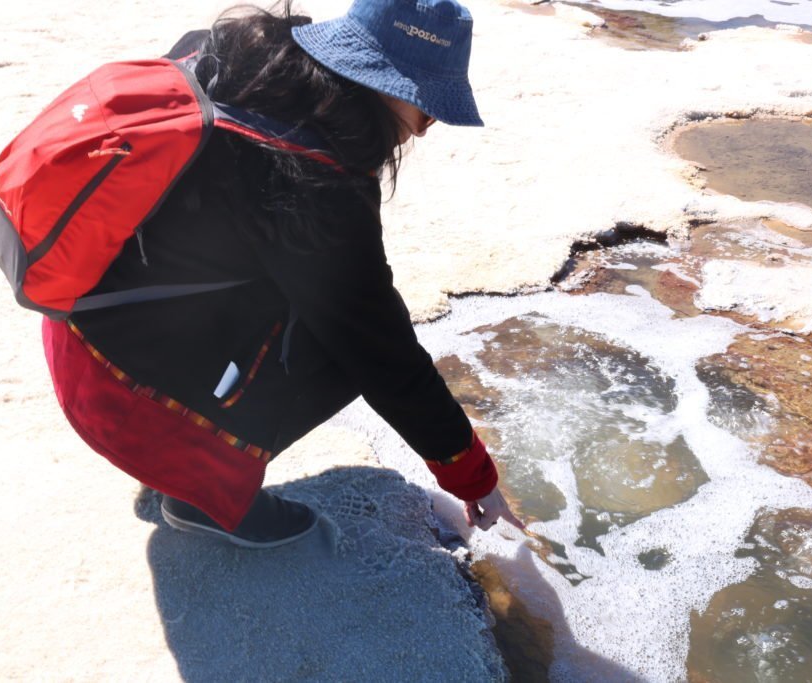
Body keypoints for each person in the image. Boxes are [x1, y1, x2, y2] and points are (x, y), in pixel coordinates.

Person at [42, 0, 525, 548]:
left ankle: (174, 461)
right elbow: (381, 352)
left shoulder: (234, 57)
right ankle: (199, 492)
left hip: (77, 327)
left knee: (317, 305)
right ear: (385, 85)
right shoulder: (313, 180)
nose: (427, 126)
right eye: (427, 105)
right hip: (116, 398)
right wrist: (473, 475)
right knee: (344, 353)